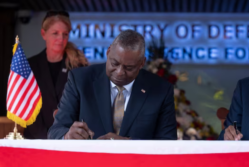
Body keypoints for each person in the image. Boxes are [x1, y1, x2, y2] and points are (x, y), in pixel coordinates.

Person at [48, 30, 177, 140]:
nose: (120, 72)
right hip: (89, 165)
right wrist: (67, 136)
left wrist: (129, 145)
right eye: (114, 63)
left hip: (138, 166)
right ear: (108, 52)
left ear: (142, 63)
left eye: (129, 67)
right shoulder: (80, 80)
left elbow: (167, 142)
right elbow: (55, 131)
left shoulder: (161, 90)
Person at [24, 11, 88, 139]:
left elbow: (85, 103)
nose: (61, 39)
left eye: (65, 34)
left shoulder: (78, 66)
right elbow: (27, 106)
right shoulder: (29, 66)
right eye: (55, 33)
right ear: (43, 34)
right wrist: (46, 139)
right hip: (36, 140)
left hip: (68, 140)